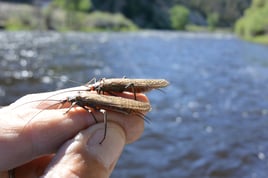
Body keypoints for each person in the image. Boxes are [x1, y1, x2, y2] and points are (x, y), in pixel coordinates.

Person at [0, 86, 148, 178]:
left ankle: (133, 109)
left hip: (112, 105)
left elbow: (87, 110)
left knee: (104, 114)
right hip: (106, 104)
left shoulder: (80, 101)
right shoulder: (78, 100)